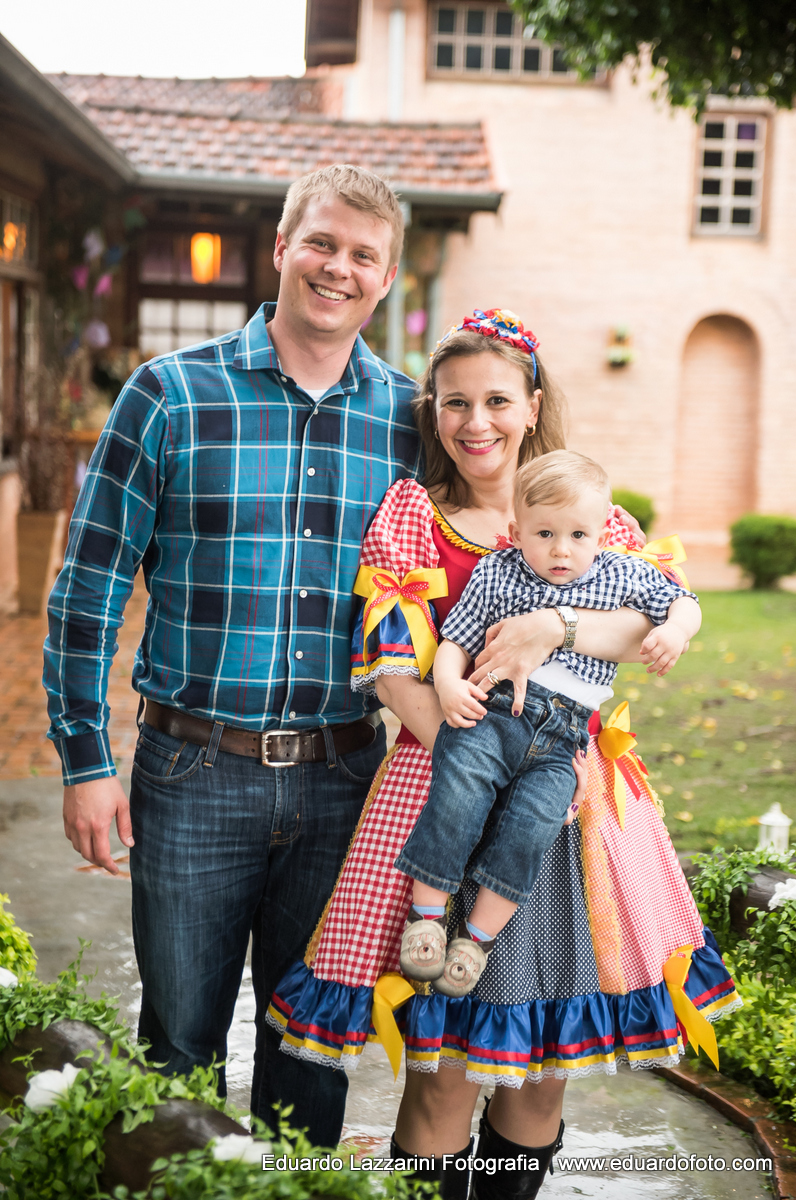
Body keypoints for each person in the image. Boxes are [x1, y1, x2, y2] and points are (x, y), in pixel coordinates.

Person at [268, 309, 739, 1196]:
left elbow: (651, 620)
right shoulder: (416, 515)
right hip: (450, 782)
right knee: (440, 1077)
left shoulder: (587, 513)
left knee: (537, 1079)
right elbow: (394, 672)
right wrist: (485, 745)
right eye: (454, 403)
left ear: (531, 404)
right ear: (433, 414)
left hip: (575, 808)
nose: (474, 422)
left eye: (495, 400)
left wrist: (550, 624)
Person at [42, 164, 424, 1147]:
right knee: (176, 1057)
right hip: (192, 770)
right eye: (323, 244)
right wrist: (86, 764)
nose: (338, 269)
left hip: (347, 779)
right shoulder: (168, 395)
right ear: (283, 247)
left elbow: (529, 533)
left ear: (387, 281)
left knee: (312, 1058)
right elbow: (89, 588)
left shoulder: (413, 422)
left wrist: (649, 599)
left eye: (362, 256)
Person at [396, 448, 701, 997]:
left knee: (533, 828)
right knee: (456, 796)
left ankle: (476, 941)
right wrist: (447, 684)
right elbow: (455, 641)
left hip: (565, 739)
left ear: (603, 529)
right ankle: (425, 919)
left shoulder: (623, 574)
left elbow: (684, 601)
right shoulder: (496, 572)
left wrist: (675, 631)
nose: (561, 550)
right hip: (492, 718)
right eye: (544, 534)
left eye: (578, 536)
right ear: (515, 530)